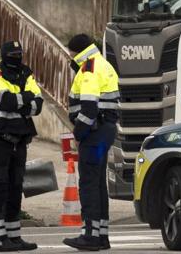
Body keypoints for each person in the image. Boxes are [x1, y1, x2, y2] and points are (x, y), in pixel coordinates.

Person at [62, 34, 119, 252]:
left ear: (77, 51)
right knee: (97, 182)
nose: (70, 56)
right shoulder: (104, 64)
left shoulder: (89, 69)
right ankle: (101, 234)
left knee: (88, 182)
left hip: (93, 134)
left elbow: (89, 109)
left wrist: (78, 133)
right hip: (104, 131)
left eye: (71, 52)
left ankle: (90, 235)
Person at [0, 41, 42, 252]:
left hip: (20, 140)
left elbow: (38, 104)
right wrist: (25, 99)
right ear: (5, 55)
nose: (17, 58)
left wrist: (22, 100)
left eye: (20, 54)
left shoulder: (26, 74)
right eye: (13, 54)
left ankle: (14, 236)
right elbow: (3, 101)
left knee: (15, 188)